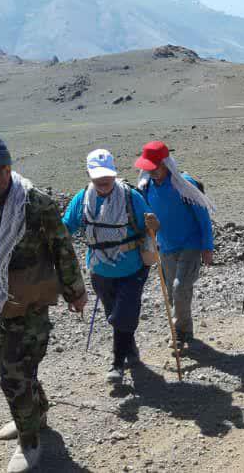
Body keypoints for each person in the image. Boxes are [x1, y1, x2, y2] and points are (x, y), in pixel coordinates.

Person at [0, 133, 87, 473]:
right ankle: (33, 416)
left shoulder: (34, 204)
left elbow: (62, 249)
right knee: (16, 371)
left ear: (6, 170)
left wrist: (75, 292)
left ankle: (30, 440)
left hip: (30, 303)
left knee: (15, 373)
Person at [61, 149, 151, 384]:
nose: (103, 182)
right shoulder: (82, 199)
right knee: (116, 315)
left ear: (114, 173)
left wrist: (154, 225)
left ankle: (116, 365)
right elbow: (65, 229)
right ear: (88, 174)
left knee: (122, 316)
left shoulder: (132, 197)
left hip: (133, 267)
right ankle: (130, 350)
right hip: (100, 270)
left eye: (107, 177)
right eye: (98, 177)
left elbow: (148, 228)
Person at [134, 141, 215, 354]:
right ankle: (185, 331)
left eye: (155, 167)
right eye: (148, 168)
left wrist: (207, 247)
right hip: (166, 247)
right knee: (172, 291)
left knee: (180, 288)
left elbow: (203, 219)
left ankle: (178, 333)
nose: (151, 172)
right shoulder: (145, 188)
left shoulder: (184, 185)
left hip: (191, 245)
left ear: (165, 164)